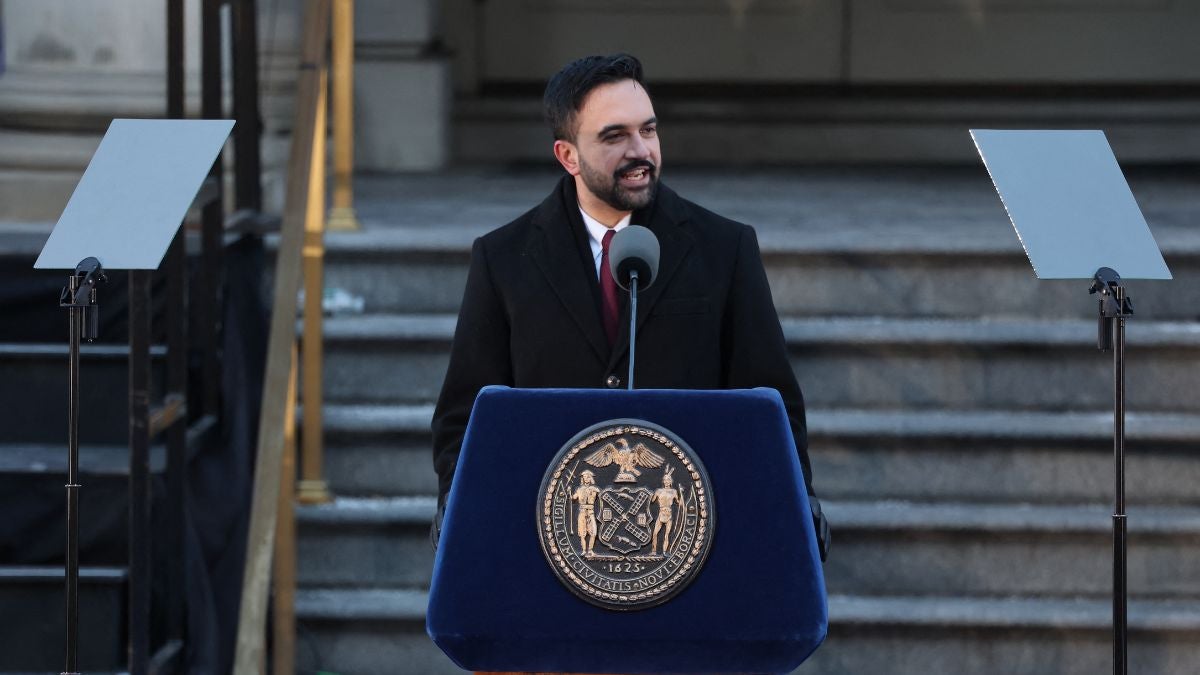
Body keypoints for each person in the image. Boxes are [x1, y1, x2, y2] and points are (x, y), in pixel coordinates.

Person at [431, 53, 829, 560]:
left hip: (691, 546)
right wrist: (459, 504)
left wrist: (797, 499)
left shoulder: (724, 248)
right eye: (614, 136)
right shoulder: (504, 258)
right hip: (547, 548)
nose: (641, 151)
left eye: (649, 130)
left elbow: (770, 401)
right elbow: (465, 412)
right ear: (568, 155)